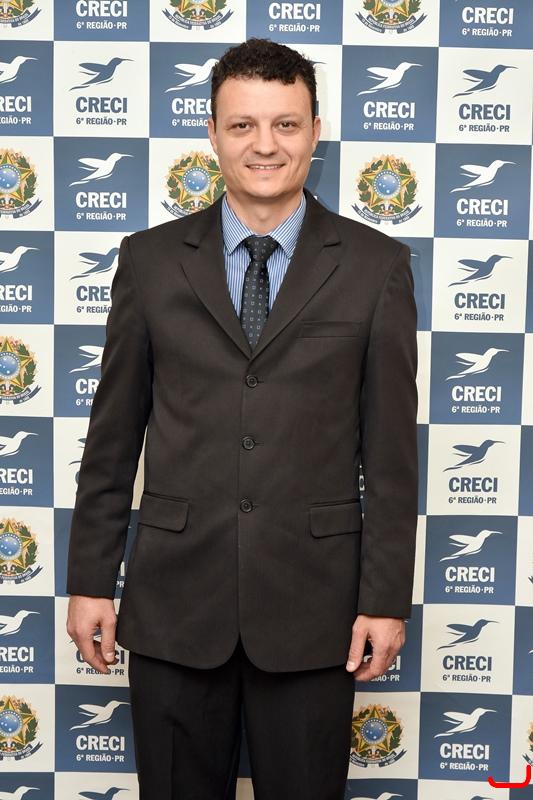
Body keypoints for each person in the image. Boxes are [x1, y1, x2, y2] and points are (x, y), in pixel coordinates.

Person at [67, 38, 417, 800]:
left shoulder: (376, 267)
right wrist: (90, 580)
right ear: (212, 133)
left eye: (285, 124)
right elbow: (112, 438)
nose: (265, 145)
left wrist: (385, 599)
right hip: (173, 606)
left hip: (314, 612)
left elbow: (391, 461)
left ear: (315, 132)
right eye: (242, 125)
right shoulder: (149, 261)